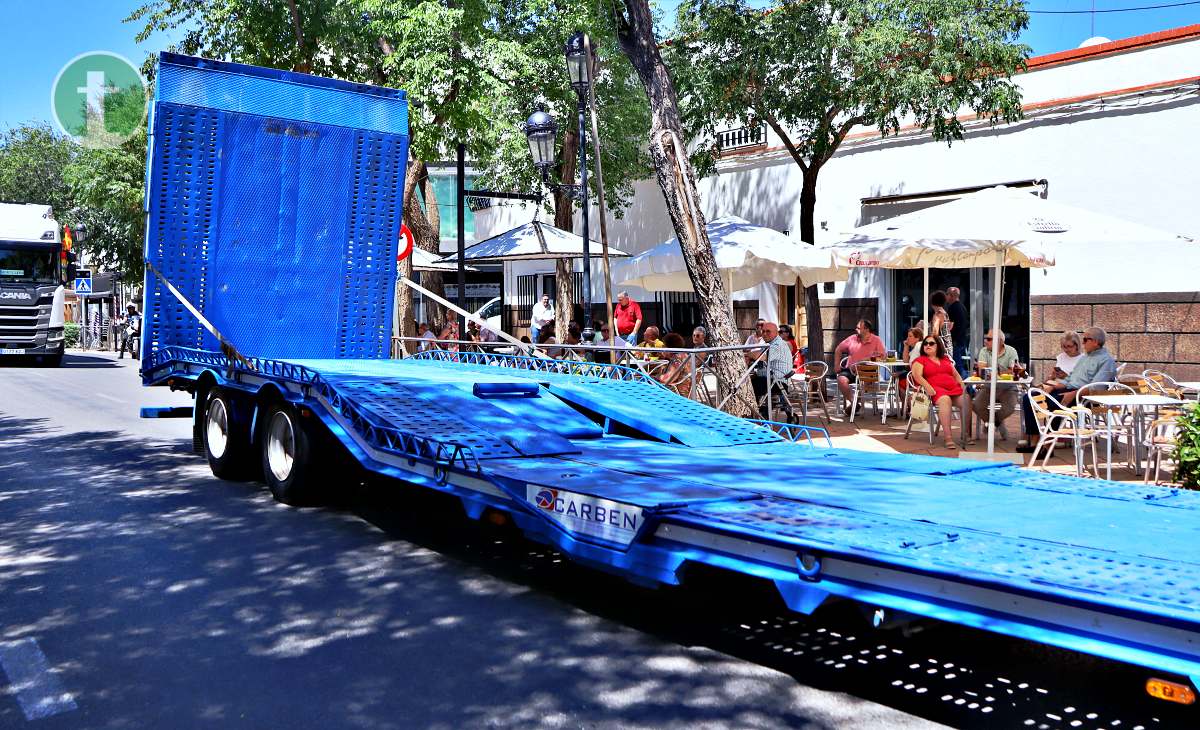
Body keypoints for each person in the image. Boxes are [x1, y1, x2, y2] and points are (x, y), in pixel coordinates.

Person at [1017, 326, 1118, 450]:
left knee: (1051, 404)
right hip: (1068, 390)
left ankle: (1047, 446)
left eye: (1085, 339)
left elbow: (1096, 387)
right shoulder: (1086, 357)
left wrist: (1073, 394)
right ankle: (1034, 441)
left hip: (1082, 397)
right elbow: (1071, 379)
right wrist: (1053, 387)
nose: (1083, 342)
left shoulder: (1106, 360)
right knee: (1029, 398)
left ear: (1095, 342)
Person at [911, 335, 968, 449]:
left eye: (931, 343)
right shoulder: (920, 360)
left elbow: (956, 375)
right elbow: (916, 375)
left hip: (953, 388)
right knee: (945, 400)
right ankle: (948, 437)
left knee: (966, 399)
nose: (927, 345)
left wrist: (963, 387)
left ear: (938, 346)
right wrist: (928, 387)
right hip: (935, 390)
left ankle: (966, 435)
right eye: (925, 344)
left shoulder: (945, 359)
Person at [970, 329, 1020, 441]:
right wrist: (1002, 371)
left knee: (1010, 407)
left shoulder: (1011, 351)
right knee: (977, 405)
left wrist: (994, 372)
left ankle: (992, 422)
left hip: (1008, 388)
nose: (985, 341)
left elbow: (1013, 370)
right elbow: (982, 370)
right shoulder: (984, 351)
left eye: (989, 339)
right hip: (988, 387)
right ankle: (998, 423)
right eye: (985, 338)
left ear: (1000, 341)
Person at [833, 319, 886, 411]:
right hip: (851, 370)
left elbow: (883, 357)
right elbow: (838, 349)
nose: (855, 329)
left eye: (858, 328)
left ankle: (854, 406)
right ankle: (854, 403)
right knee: (841, 380)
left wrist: (867, 360)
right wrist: (837, 365)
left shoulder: (876, 340)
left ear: (866, 329)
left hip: (867, 371)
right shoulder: (852, 338)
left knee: (864, 385)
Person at [750, 322, 795, 420]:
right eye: (763, 331)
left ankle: (752, 414)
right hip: (774, 380)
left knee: (747, 385)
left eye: (768, 332)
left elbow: (761, 356)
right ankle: (758, 412)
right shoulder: (772, 344)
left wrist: (746, 354)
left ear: (776, 333)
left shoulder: (777, 345)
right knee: (750, 380)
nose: (764, 334)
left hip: (778, 383)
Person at [656, 332, 695, 398]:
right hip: (686, 390)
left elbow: (667, 379)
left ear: (670, 347)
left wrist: (655, 377)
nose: (662, 347)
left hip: (677, 393)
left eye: (664, 346)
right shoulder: (684, 355)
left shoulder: (676, 359)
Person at [946, 286, 969, 376]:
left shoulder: (953, 308)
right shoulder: (962, 307)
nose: (946, 297)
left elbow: (950, 326)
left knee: (957, 366)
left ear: (951, 296)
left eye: (947, 294)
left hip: (955, 341)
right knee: (959, 365)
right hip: (962, 340)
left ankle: (969, 388)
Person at [929, 290, 953, 357]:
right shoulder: (945, 313)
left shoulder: (938, 315)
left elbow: (935, 333)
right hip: (947, 346)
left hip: (942, 349)